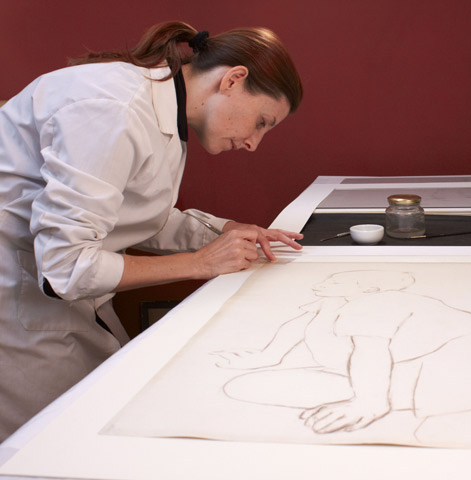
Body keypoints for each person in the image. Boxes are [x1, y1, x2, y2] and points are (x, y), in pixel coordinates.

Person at [0, 21, 304, 441]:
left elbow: (140, 216)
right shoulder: (115, 109)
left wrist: (227, 231)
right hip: (15, 300)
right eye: (262, 122)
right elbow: (63, 269)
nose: (254, 142)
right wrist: (200, 263)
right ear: (233, 80)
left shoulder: (159, 109)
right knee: (49, 445)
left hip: (49, 292)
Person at [214, 270, 471, 436]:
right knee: (250, 384)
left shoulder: (374, 304)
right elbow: (296, 328)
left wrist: (369, 402)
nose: (327, 281)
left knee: (249, 388)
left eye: (339, 279)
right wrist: (268, 356)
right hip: (437, 371)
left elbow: (371, 351)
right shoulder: (331, 305)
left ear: (368, 289)